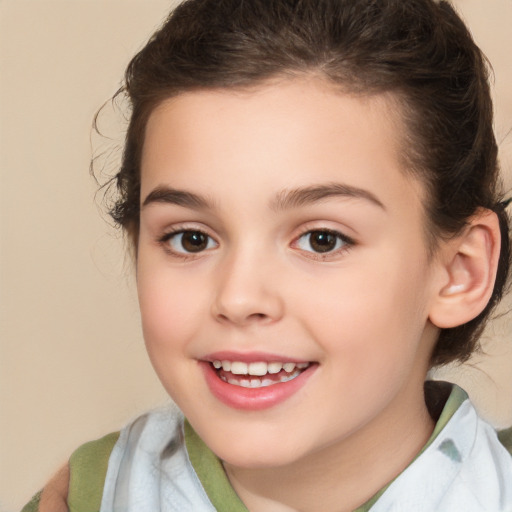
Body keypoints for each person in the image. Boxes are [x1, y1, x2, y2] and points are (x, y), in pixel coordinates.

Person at [22, 0, 512, 510]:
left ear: (460, 270)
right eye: (192, 238)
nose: (238, 297)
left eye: (322, 239)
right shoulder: (92, 496)